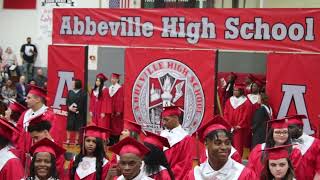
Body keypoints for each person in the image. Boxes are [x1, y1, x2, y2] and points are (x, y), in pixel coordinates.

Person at [187, 115, 256, 180]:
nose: (224, 147)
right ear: (206, 143)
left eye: (227, 143)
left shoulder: (244, 175)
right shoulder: (195, 175)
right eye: (218, 143)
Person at [160, 106, 193, 180]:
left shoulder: (185, 138)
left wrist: (167, 175)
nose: (164, 123)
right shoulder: (163, 134)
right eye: (163, 120)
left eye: (166, 120)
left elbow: (185, 164)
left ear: (175, 118)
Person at [223, 83, 253, 157]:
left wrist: (239, 125)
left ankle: (237, 161)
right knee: (227, 144)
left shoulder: (246, 102)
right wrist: (228, 124)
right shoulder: (229, 100)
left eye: (236, 90)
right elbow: (226, 113)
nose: (234, 92)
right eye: (234, 90)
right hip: (229, 128)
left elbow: (246, 116)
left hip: (239, 129)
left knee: (238, 146)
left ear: (241, 91)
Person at [287, 114, 320, 180]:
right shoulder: (284, 144)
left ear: (300, 128)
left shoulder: (315, 143)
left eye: (290, 127)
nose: (287, 130)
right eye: (286, 127)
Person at [66, 79, 86, 145]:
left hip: (79, 113)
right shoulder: (70, 92)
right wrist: (69, 108)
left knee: (78, 127)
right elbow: (67, 101)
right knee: (69, 126)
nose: (72, 84)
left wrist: (77, 109)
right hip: (71, 112)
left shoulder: (83, 93)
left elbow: (83, 103)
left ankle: (76, 141)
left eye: (73, 83)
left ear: (77, 84)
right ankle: (68, 140)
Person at [109, 73, 124, 145]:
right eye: (112, 78)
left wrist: (118, 110)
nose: (112, 80)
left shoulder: (119, 88)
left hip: (116, 112)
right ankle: (111, 141)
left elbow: (120, 100)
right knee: (111, 126)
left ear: (118, 80)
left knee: (117, 127)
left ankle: (117, 141)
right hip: (110, 110)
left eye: (114, 78)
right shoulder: (110, 87)